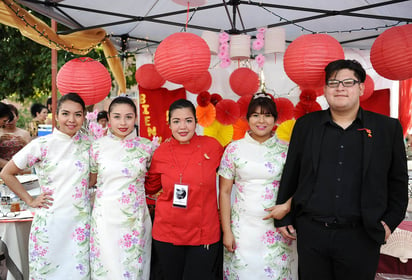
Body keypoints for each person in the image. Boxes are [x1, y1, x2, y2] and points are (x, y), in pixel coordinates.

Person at [275, 59, 409, 280]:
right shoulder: (306, 125)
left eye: (348, 82)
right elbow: (292, 171)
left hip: (362, 234)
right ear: (325, 89)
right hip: (312, 233)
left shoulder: (387, 128)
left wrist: (389, 222)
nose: (340, 88)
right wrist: (283, 218)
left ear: (361, 88)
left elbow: (398, 181)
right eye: (333, 82)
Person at [0, 93, 92, 279]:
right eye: (66, 113)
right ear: (56, 115)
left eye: (78, 114)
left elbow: (92, 179)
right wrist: (30, 200)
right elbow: (6, 173)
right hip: (50, 224)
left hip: (80, 225)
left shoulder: (90, 145)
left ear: (84, 117)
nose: (71, 120)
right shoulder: (42, 144)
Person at [218, 92, 298, 279]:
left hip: (278, 229)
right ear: (247, 119)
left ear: (275, 119)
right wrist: (227, 231)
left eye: (267, 115)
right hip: (242, 229)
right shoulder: (234, 149)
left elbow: (300, 186)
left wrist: (287, 207)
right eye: (255, 115)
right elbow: (224, 191)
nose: (261, 120)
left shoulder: (286, 150)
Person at [145, 99, 224, 280]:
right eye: (176, 121)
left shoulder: (212, 147)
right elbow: (151, 186)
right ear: (169, 124)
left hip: (204, 234)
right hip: (167, 233)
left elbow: (233, 177)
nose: (183, 126)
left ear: (196, 122)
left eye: (188, 120)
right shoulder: (161, 152)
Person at [89, 97, 155, 279]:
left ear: (136, 118)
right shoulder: (96, 147)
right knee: (107, 269)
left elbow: (156, 181)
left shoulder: (147, 147)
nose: (123, 122)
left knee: (133, 269)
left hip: (135, 219)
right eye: (117, 117)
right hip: (105, 219)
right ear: (108, 118)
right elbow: (90, 180)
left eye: (128, 117)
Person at [0, 104, 31, 169]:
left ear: (17, 117)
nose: (7, 122)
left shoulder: (24, 133)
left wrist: (24, 143)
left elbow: (31, 154)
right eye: (5, 121)